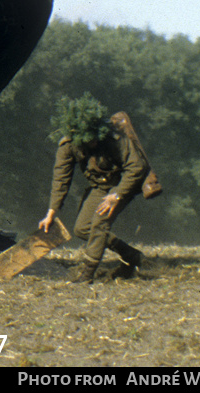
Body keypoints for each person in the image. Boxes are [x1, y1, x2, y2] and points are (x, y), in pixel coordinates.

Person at [40, 94, 147, 283]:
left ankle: (87, 274)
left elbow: (137, 167)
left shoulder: (114, 138)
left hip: (123, 184)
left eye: (94, 139)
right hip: (99, 186)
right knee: (82, 229)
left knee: (99, 222)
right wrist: (51, 212)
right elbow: (61, 179)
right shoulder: (68, 145)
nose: (93, 144)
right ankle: (130, 255)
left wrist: (117, 195)